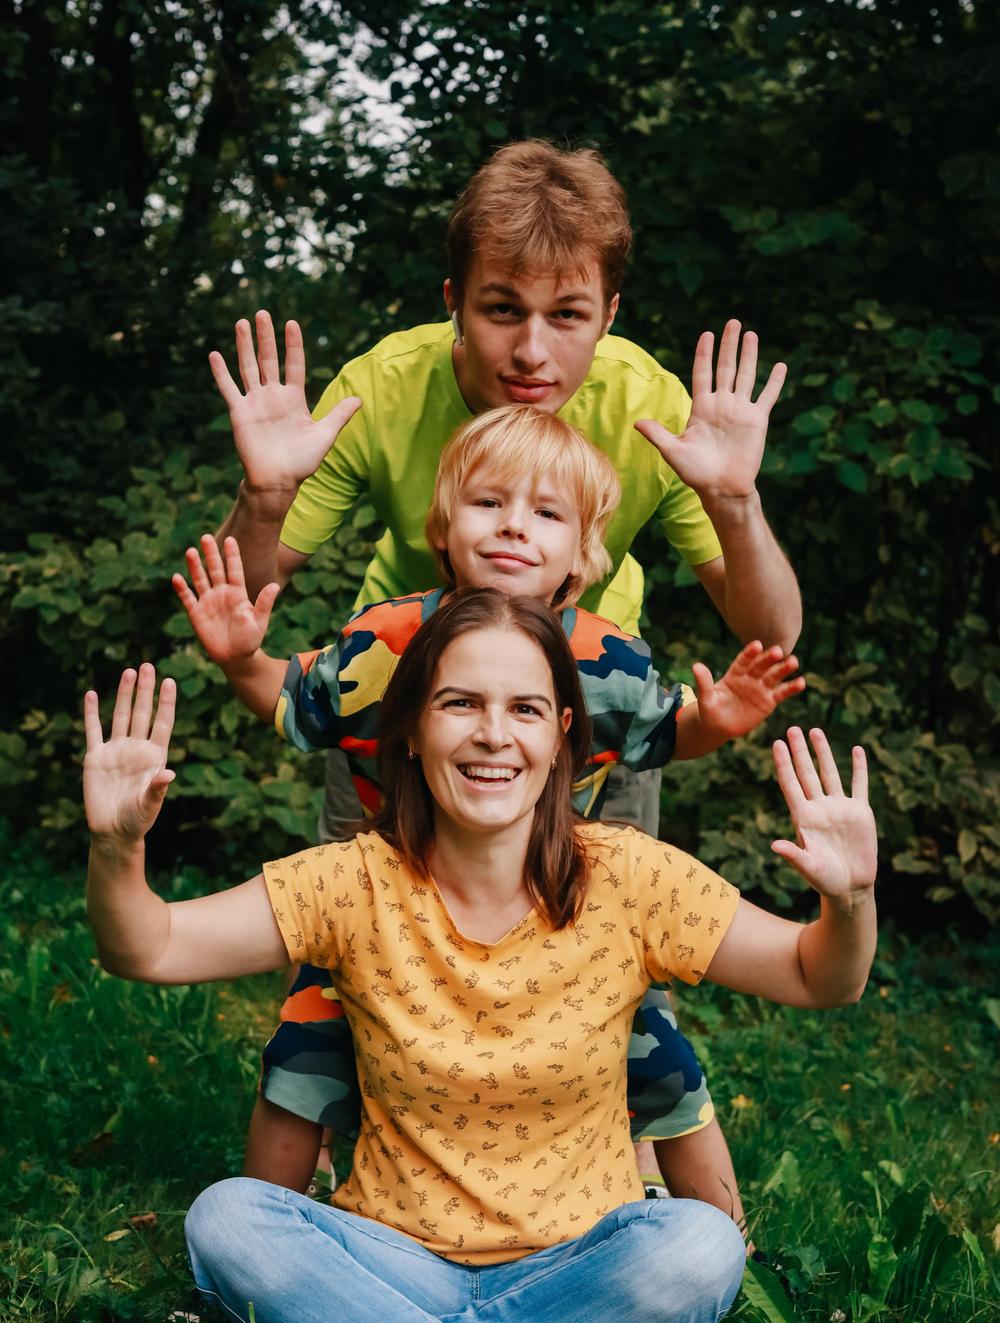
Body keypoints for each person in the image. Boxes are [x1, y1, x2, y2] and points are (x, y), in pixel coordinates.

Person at [83, 592, 877, 1323]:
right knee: (229, 1220)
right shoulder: (351, 881)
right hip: (394, 1264)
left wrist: (852, 899)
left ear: (562, 735)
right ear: (412, 730)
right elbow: (149, 948)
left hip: (578, 1270)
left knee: (701, 1247)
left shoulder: (631, 878)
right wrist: (116, 848)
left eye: (525, 709)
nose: (494, 734)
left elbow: (819, 977)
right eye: (460, 703)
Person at [175, 397, 803, 1222]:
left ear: (583, 552)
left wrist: (713, 724)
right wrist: (241, 662)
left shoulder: (607, 662)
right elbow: (297, 704)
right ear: (443, 525)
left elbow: (663, 735)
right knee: (302, 1051)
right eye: (488, 501)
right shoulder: (383, 641)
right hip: (391, 909)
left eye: (547, 513)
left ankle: (725, 1247)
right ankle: (272, 1239)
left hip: (558, 917)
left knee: (659, 1055)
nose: (514, 526)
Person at [212, 139, 801, 849]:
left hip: (590, 704)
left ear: (609, 315)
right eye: (502, 309)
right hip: (399, 692)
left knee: (595, 914)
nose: (531, 352)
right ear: (454, 303)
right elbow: (239, 601)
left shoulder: (653, 409)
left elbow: (772, 637)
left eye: (567, 315)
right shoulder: (380, 391)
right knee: (357, 907)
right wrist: (267, 494)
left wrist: (736, 504)